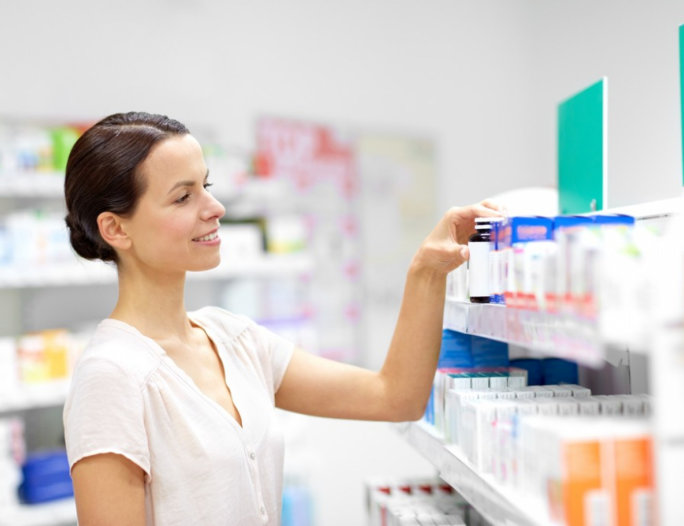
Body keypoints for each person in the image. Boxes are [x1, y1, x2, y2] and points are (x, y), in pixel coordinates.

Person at [62, 111, 501, 526]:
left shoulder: (235, 340)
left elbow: (394, 397)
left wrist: (426, 270)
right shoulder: (112, 377)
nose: (215, 207)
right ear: (116, 229)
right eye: (183, 196)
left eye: (206, 185)